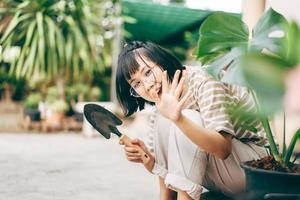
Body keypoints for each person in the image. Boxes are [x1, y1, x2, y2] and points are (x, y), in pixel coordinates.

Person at [115, 41, 268, 200]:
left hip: (255, 169)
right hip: (221, 176)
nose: (147, 85)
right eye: (136, 84)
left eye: (147, 72)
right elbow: (171, 169)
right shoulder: (160, 108)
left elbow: (223, 149)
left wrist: (179, 119)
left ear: (162, 61)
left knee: (185, 117)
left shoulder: (204, 80)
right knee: (164, 118)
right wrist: (148, 159)